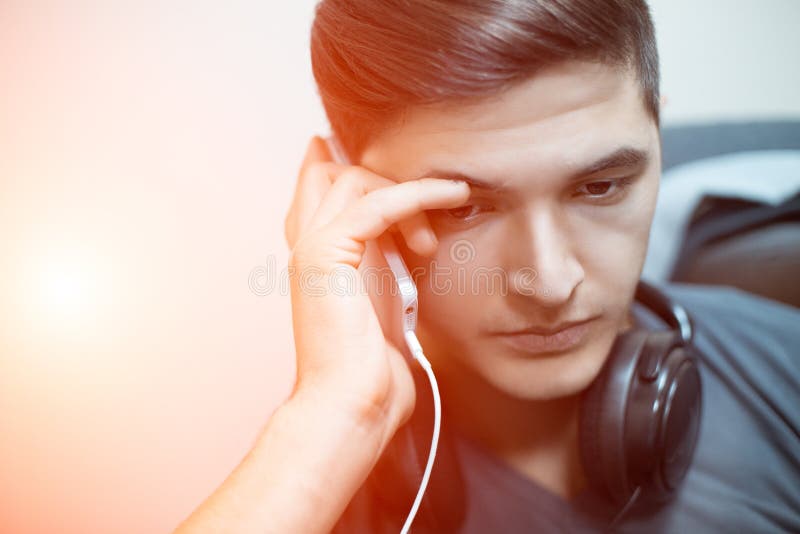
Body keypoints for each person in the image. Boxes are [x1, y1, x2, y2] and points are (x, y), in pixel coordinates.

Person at [175, 1, 800, 532]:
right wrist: (340, 417)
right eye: (465, 208)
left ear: (657, 135)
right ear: (348, 193)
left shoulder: (785, 364)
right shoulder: (314, 483)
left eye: (601, 187)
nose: (551, 283)